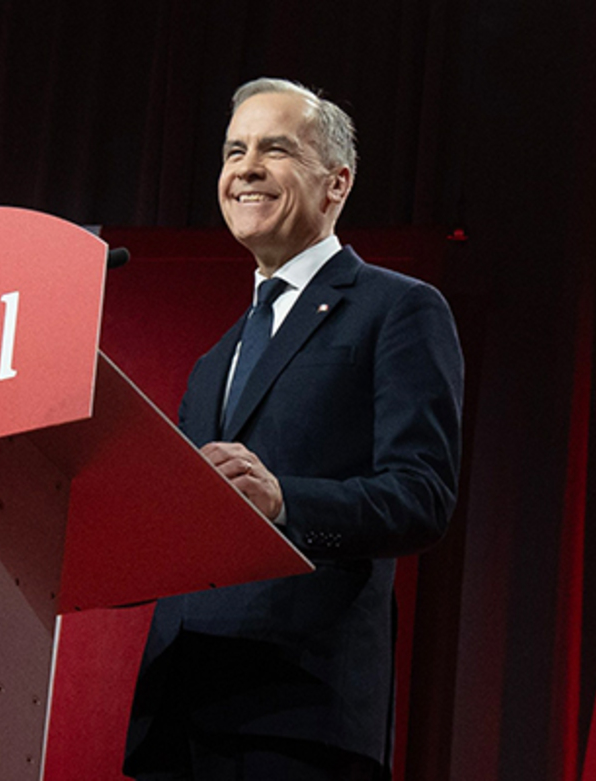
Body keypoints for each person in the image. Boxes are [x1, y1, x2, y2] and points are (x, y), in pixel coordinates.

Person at [123, 78, 464, 780]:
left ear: (336, 182)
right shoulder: (215, 359)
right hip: (179, 715)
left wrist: (285, 502)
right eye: (234, 150)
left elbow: (420, 495)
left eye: (274, 149)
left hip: (296, 713)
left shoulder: (398, 310)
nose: (244, 168)